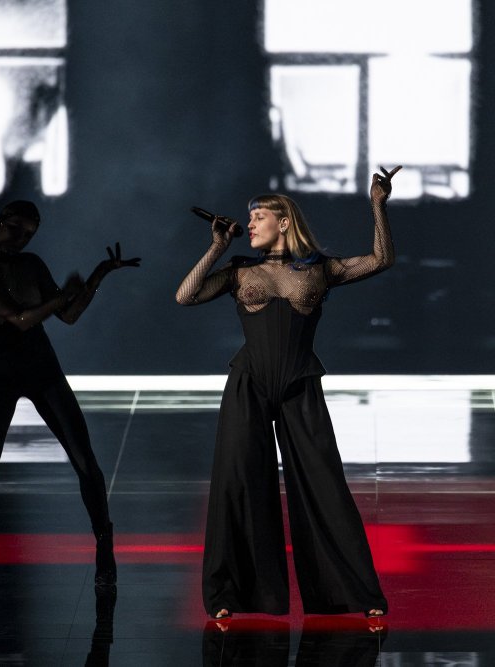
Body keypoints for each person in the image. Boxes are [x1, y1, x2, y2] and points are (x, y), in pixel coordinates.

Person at [176, 166, 401, 619]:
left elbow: (380, 259)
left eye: (258, 217)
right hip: (249, 384)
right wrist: (217, 248)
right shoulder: (240, 271)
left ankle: (355, 595)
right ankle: (229, 597)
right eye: (249, 218)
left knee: (324, 485)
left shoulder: (319, 269)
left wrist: (377, 205)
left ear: (283, 222)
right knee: (238, 483)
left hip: (300, 384)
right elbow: (186, 296)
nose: (250, 224)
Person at [0, 200, 139, 592]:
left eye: (30, 234)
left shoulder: (31, 264)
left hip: (41, 368)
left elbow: (68, 315)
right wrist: (62, 297)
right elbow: (20, 319)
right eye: (17, 229)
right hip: (2, 374)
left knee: (86, 463)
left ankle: (105, 553)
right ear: (0, 222)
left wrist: (98, 275)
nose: (22, 238)